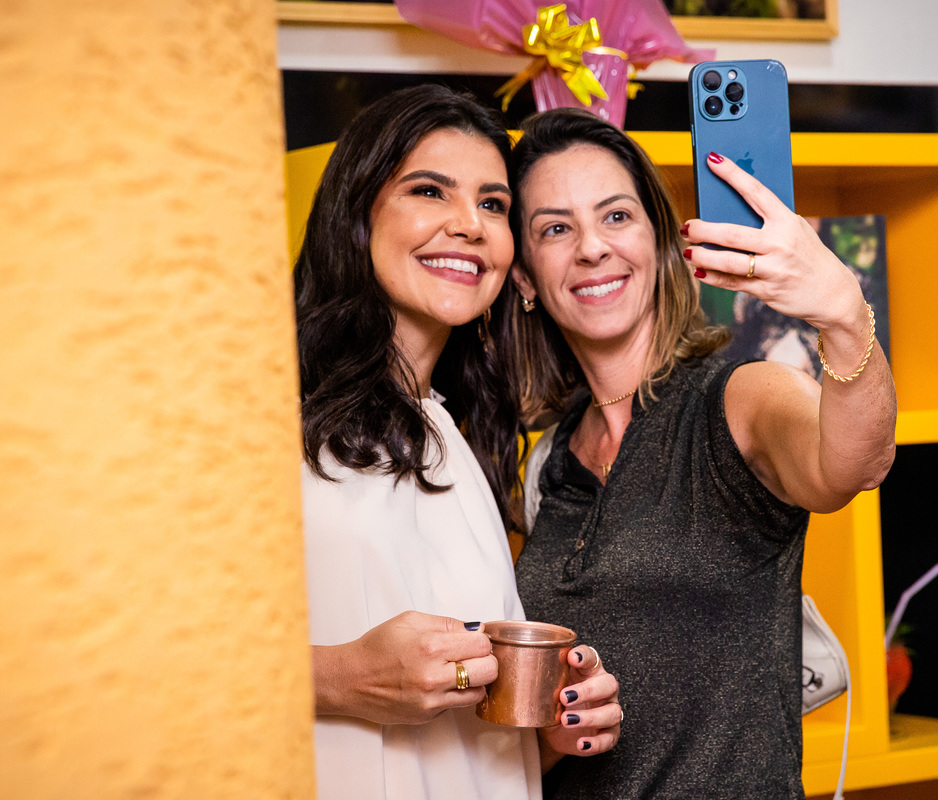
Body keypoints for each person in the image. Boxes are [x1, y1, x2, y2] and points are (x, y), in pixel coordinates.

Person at [507, 108, 896, 798]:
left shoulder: (739, 398)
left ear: (661, 243)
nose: (592, 248)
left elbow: (854, 465)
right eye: (555, 229)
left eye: (616, 216)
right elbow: (534, 732)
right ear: (526, 279)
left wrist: (843, 312)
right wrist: (555, 735)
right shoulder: (547, 461)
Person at [293, 87, 621, 800]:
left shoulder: (455, 434)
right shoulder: (260, 412)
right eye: (429, 190)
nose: (470, 225)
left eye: (493, 204)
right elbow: (138, 656)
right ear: (356, 212)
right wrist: (338, 678)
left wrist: (549, 725)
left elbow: (474, 753)